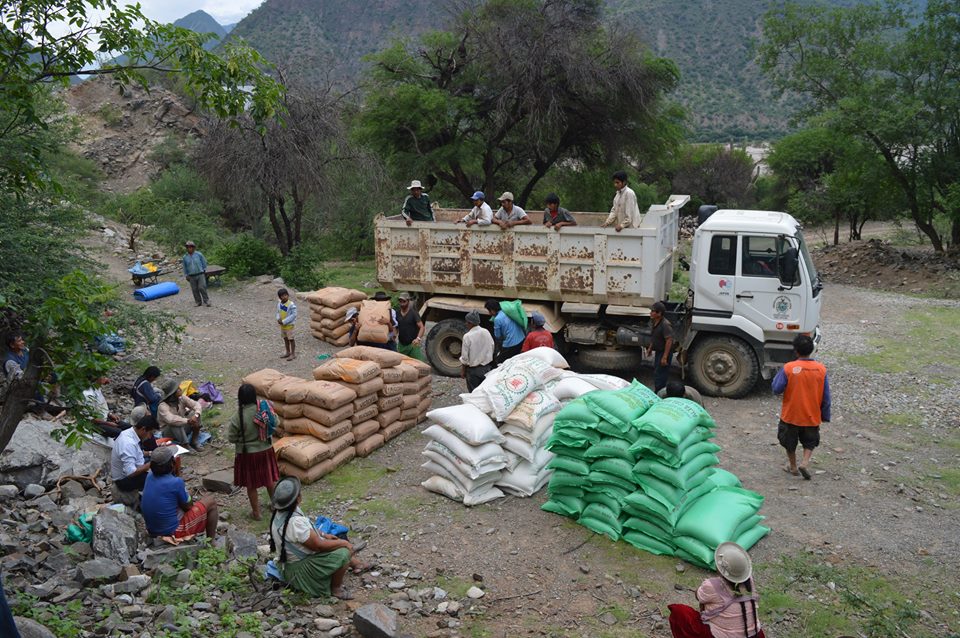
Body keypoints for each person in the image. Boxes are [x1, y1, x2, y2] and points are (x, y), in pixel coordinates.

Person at [270, 476, 357, 599]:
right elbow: (318, 546)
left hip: (289, 561)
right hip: (299, 568)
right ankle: (336, 589)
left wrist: (323, 535)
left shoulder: (282, 513)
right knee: (344, 552)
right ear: (298, 498)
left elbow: (311, 531)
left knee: (334, 539)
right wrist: (344, 543)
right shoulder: (295, 523)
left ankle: (356, 564)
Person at [668, 542, 765, 638]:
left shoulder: (712, 585)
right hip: (755, 635)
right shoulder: (749, 582)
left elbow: (698, 596)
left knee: (679, 611)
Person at [772, 334, 831, 480]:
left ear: (796, 350)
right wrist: (825, 415)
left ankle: (792, 466)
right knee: (810, 441)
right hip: (812, 415)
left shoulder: (789, 368)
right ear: (811, 350)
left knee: (789, 441)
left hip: (791, 415)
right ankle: (804, 462)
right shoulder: (821, 370)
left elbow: (776, 389)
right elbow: (826, 397)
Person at [141, 445, 219, 540]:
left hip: (152, 529)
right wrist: (186, 491)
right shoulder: (175, 482)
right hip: (172, 531)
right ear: (172, 463)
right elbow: (188, 506)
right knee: (211, 502)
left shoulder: (149, 476)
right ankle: (211, 542)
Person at [228, 384, 280, 520]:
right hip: (266, 450)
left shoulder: (237, 416)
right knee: (269, 479)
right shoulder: (264, 408)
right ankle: (276, 505)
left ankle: (256, 513)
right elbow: (276, 422)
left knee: (251, 485)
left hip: (247, 455)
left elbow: (231, 438)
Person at [110, 414, 159, 495]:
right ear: (143, 429)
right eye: (151, 433)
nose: (150, 437)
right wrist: (152, 464)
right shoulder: (128, 443)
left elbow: (136, 453)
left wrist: (151, 453)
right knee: (159, 477)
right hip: (124, 480)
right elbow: (130, 472)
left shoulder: (130, 433)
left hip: (132, 468)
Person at [157, 379, 203, 450]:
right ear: (172, 394)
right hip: (169, 432)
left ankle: (194, 441)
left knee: (195, 414)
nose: (180, 389)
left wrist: (196, 415)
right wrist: (187, 421)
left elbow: (196, 404)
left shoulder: (182, 398)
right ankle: (185, 445)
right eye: (178, 389)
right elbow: (171, 419)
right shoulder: (162, 406)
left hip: (182, 428)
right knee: (175, 423)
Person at [460, 310, 494, 392]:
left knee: (474, 394)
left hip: (473, 371)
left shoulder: (467, 336)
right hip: (487, 368)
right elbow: (492, 347)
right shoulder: (486, 332)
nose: (466, 324)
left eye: (467, 322)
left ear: (471, 323)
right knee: (484, 392)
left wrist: (463, 370)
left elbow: (465, 357)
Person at [484, 299, 525, 364]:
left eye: (489, 311)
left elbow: (498, 336)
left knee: (499, 362)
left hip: (511, 344)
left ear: (492, 310)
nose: (489, 313)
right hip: (522, 339)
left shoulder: (497, 319)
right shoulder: (507, 312)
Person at [646, 301, 673, 393]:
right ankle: (658, 391)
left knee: (661, 374)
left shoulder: (665, 324)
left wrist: (664, 357)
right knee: (657, 372)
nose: (651, 312)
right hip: (659, 351)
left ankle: (660, 393)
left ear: (659, 313)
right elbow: (654, 336)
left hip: (664, 352)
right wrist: (650, 348)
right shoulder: (655, 321)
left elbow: (669, 340)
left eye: (653, 311)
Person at [396, 292, 425, 360]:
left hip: (413, 344)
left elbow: (422, 327)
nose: (402, 303)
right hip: (401, 344)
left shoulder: (414, 313)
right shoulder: (397, 313)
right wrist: (394, 335)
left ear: (408, 301)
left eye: (404, 301)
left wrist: (418, 339)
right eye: (400, 301)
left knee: (419, 364)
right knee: (402, 364)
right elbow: (396, 327)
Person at [182, 240, 210, 307]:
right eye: (188, 247)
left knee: (202, 287)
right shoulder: (185, 257)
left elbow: (204, 263)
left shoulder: (199, 254)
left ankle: (206, 300)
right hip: (191, 276)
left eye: (191, 247)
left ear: (194, 248)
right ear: (187, 248)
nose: (190, 248)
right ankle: (198, 302)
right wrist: (186, 275)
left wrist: (203, 270)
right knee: (194, 289)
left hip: (200, 274)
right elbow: (185, 267)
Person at [276, 288, 298, 361]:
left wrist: (284, 321)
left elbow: (294, 315)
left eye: (286, 295)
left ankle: (293, 354)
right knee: (285, 339)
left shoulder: (291, 305)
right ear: (280, 297)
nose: (284, 297)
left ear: (288, 295)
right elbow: (278, 312)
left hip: (289, 325)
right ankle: (288, 352)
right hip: (283, 325)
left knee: (291, 339)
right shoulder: (279, 304)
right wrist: (278, 319)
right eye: (282, 296)